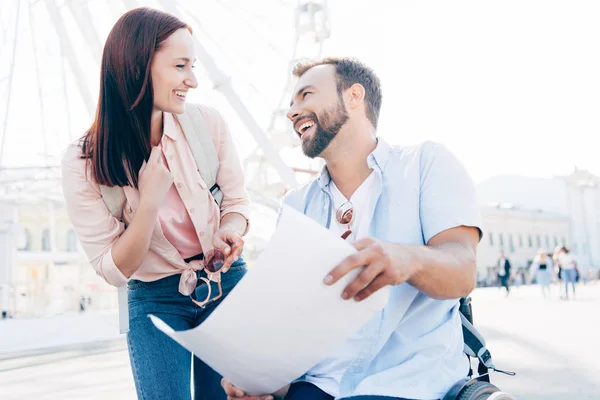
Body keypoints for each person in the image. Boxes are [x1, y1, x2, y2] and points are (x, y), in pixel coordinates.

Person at [222, 57, 482, 400]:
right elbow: (291, 316)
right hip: (318, 384)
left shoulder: (425, 164)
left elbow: (463, 270)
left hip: (407, 382)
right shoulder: (297, 205)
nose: (292, 112)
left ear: (354, 96)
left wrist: (408, 260)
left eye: (306, 95)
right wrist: (263, 379)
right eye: (290, 103)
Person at [61, 8, 249, 400]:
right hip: (155, 298)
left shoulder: (207, 124)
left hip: (227, 284)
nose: (193, 81)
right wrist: (148, 202)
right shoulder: (83, 162)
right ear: (137, 66)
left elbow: (236, 202)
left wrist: (230, 230)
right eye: (181, 66)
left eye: (193, 66)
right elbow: (113, 269)